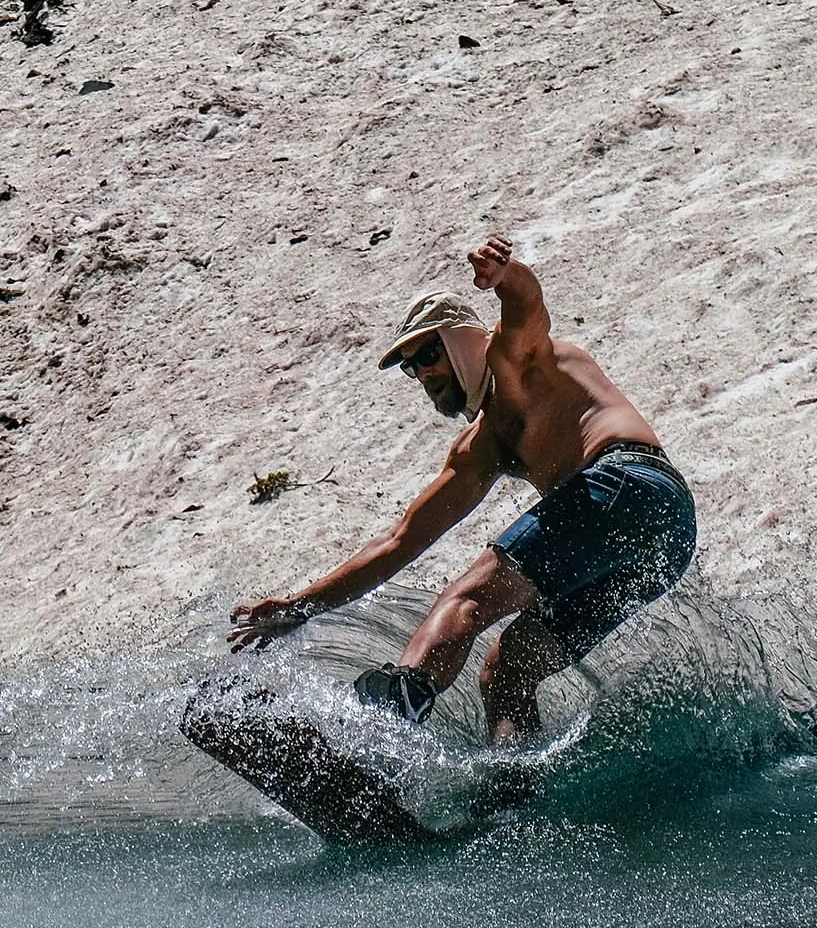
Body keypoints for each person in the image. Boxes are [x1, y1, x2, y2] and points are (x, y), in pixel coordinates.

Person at [227, 235, 696, 745]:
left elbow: (528, 306)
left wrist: (505, 274)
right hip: (665, 540)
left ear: (463, 342)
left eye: (429, 353)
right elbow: (399, 542)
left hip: (626, 484)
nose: (422, 373)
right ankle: (512, 793)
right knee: (508, 669)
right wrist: (300, 606)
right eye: (411, 366)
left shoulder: (515, 360)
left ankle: (387, 723)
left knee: (465, 598)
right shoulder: (481, 448)